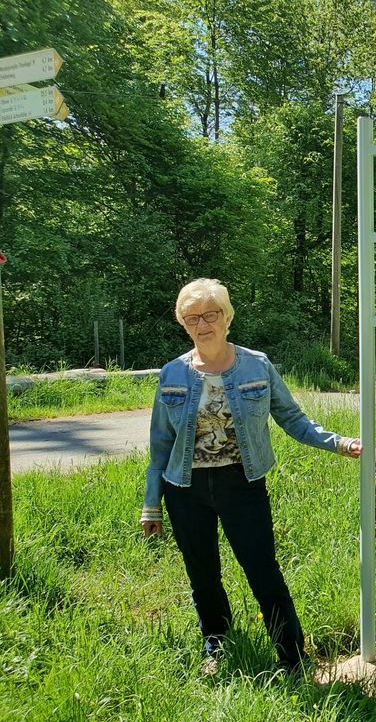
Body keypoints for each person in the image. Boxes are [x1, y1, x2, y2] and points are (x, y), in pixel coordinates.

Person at [139, 278, 362, 674]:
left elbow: (292, 418)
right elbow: (160, 444)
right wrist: (151, 504)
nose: (202, 324)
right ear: (183, 324)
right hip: (185, 490)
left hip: (242, 484)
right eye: (192, 318)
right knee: (203, 576)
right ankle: (217, 645)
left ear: (226, 317)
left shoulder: (256, 365)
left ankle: (293, 658)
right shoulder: (172, 374)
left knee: (263, 572)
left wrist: (339, 443)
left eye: (210, 315)